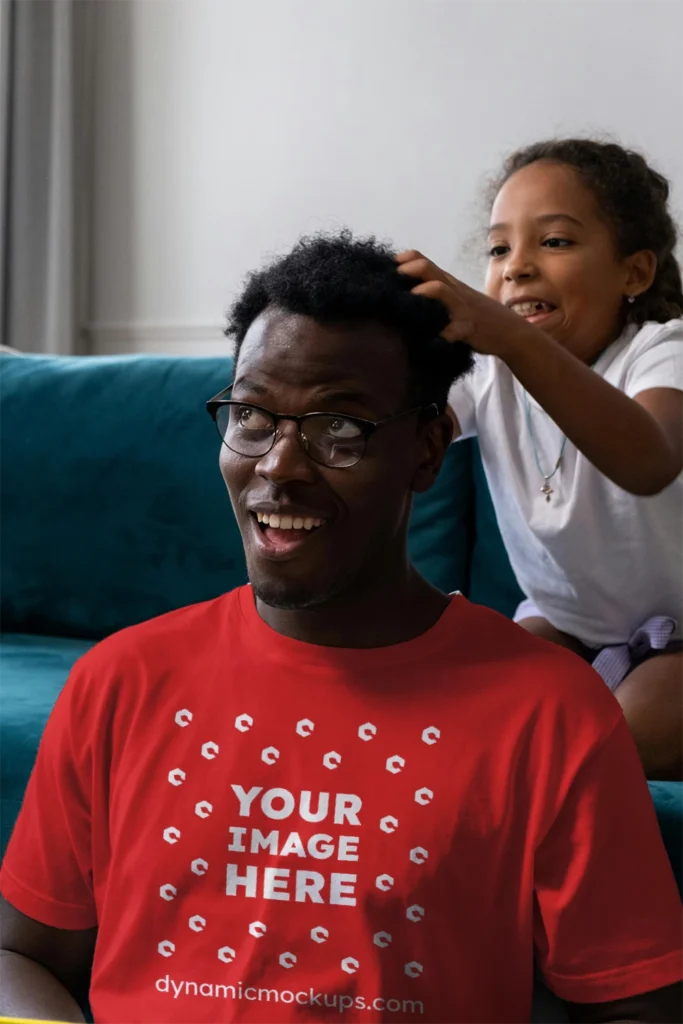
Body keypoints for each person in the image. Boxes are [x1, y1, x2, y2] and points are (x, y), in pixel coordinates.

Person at [1, 232, 682, 1023]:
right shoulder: (119, 681)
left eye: (339, 429)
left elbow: (636, 1007)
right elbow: (22, 954)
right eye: (252, 415)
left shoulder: (548, 711)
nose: (280, 464)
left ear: (427, 450)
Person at [397, 139, 683, 780]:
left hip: (682, 641)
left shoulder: (663, 351)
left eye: (553, 242)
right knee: (467, 711)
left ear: (633, 274)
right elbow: (407, 433)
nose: (516, 266)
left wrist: (511, 338)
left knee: (623, 742)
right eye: (499, 249)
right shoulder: (487, 371)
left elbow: (651, 460)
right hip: (569, 625)